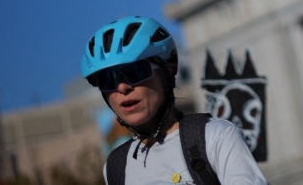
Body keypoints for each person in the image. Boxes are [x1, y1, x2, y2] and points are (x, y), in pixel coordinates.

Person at [81, 16, 267, 185]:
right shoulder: (116, 168)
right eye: (107, 80)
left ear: (167, 72)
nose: (122, 88)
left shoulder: (216, 137)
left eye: (135, 72)